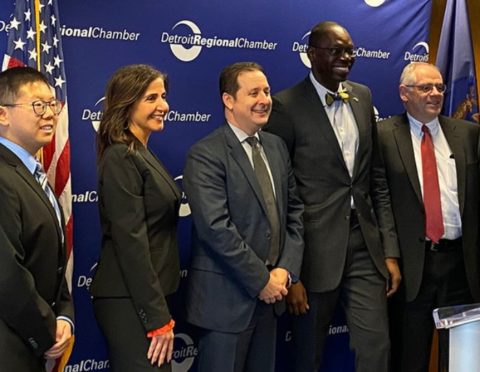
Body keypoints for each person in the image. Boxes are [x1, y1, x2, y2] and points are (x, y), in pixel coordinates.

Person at [265, 21, 401, 372]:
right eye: (335, 50)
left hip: (364, 246)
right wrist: (290, 272)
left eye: (350, 50)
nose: (346, 57)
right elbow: (278, 194)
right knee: (308, 354)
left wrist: (388, 251)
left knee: (377, 348)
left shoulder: (363, 96)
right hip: (312, 252)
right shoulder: (284, 106)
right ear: (312, 55)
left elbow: (376, 181)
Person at [183, 62, 304, 372]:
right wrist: (261, 279)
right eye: (253, 93)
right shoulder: (206, 154)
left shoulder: (276, 147)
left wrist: (285, 271)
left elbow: (294, 213)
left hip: (271, 300)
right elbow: (215, 229)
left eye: (266, 91)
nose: (264, 99)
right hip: (226, 306)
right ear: (229, 100)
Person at [377, 62, 480, 372]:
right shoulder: (382, 135)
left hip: (463, 264)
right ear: (404, 94)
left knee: (465, 360)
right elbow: (378, 202)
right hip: (413, 266)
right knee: (410, 358)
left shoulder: (469, 134)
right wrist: (390, 256)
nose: (435, 94)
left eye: (439, 87)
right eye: (425, 88)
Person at [90, 64, 181, 371]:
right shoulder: (121, 156)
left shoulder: (140, 152)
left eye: (164, 96)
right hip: (128, 300)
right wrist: (156, 318)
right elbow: (131, 243)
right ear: (127, 103)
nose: (163, 106)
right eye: (151, 98)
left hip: (145, 297)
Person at [0, 66, 74, 371]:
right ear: (3, 115)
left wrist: (65, 316)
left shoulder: (34, 175)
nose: (49, 114)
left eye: (52, 105)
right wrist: (45, 331)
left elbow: (53, 259)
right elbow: (6, 273)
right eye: (37, 105)